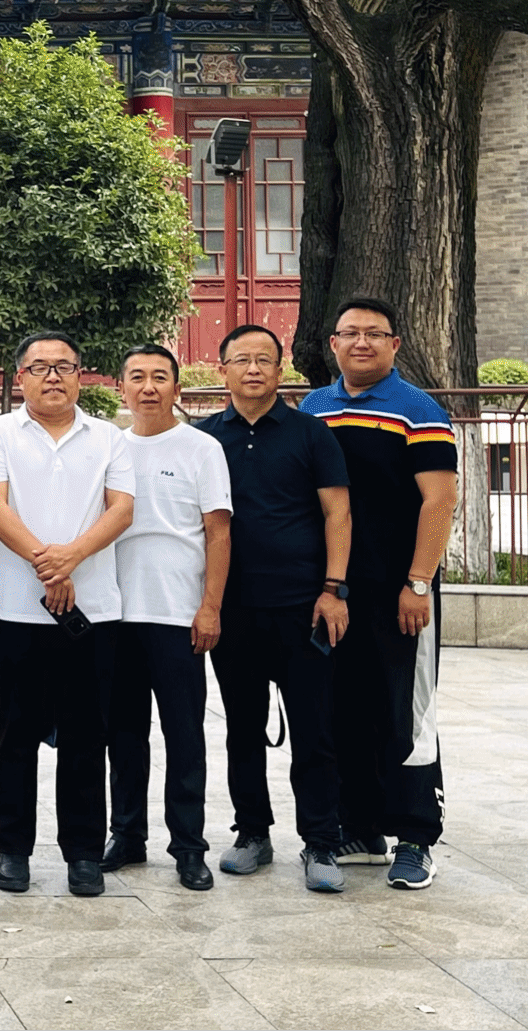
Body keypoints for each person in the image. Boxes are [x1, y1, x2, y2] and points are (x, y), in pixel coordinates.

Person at [300, 297, 457, 889]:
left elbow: (439, 502)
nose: (361, 343)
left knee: (406, 712)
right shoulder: (314, 408)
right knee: (344, 706)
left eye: (374, 333)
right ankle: (360, 828)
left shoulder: (418, 410)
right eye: (350, 333)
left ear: (394, 344)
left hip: (400, 591)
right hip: (336, 590)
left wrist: (418, 581)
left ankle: (416, 837)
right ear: (333, 344)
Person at [0, 330, 134, 897]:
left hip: (95, 613)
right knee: (16, 733)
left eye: (64, 366)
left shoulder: (108, 438)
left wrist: (71, 559)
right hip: (17, 612)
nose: (53, 376)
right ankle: (13, 850)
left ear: (81, 375)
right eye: (40, 367)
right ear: (20, 378)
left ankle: (83, 854)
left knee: (88, 736)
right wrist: (50, 565)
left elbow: (122, 510)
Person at [198, 324, 353, 892]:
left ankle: (322, 842)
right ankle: (252, 834)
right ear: (223, 370)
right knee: (242, 729)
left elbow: (338, 514)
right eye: (242, 360)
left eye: (264, 360)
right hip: (233, 610)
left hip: (303, 609)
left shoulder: (311, 433)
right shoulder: (203, 438)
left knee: (315, 730)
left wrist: (333, 590)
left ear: (280, 368)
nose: (253, 369)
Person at [102, 344, 232, 892]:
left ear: (177, 388)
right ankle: (127, 834)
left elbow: (218, 532)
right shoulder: (108, 448)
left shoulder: (202, 448)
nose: (148, 387)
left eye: (160, 377)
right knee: (123, 735)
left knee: (184, 736)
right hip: (115, 615)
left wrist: (210, 606)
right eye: (137, 377)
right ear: (121, 387)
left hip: (178, 616)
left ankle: (189, 846)